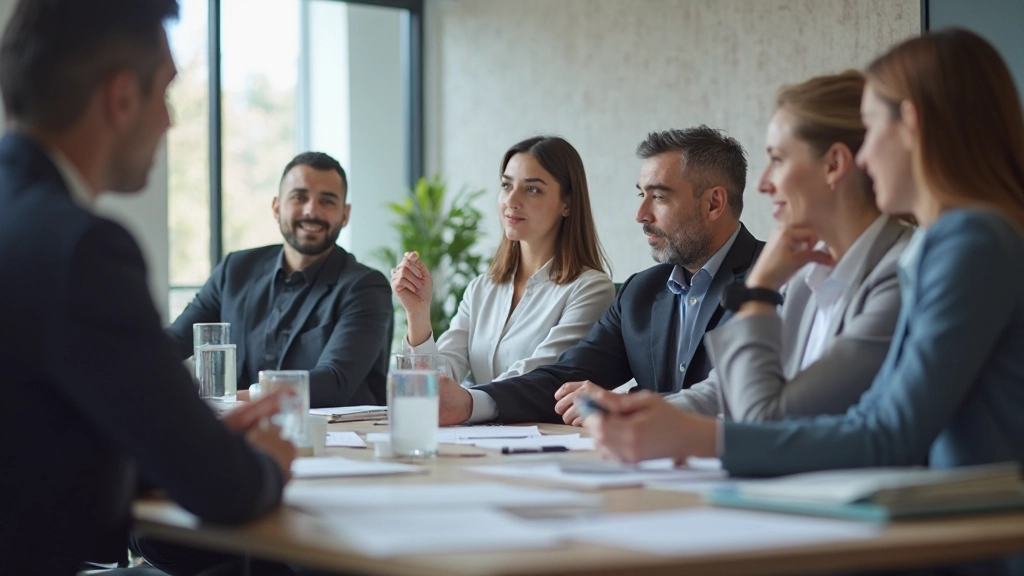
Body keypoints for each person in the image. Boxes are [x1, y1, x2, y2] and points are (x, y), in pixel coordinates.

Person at [587, 29, 1024, 485]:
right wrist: (658, 420)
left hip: (967, 544)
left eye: (872, 129)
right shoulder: (957, 241)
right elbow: (866, 422)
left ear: (911, 123)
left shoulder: (969, 241)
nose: (865, 155)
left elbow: (886, 435)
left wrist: (698, 436)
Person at [0, 1, 294, 574]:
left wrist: (183, 438)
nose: (170, 121)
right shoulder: (82, 250)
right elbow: (227, 492)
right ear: (121, 98)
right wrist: (261, 463)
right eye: (166, 93)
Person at [436, 126, 765, 426]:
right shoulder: (641, 292)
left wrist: (623, 403)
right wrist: (469, 402)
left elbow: (748, 396)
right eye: (641, 195)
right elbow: (564, 378)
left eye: (659, 196)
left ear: (714, 203)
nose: (641, 215)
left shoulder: (773, 281)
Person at [644, 71, 912, 423]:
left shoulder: (905, 271)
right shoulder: (803, 273)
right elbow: (724, 390)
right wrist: (638, 413)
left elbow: (767, 418)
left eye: (778, 160)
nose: (762, 183)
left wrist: (759, 291)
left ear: (833, 165)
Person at [165, 152, 393, 408]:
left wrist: (238, 398)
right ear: (276, 207)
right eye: (299, 197)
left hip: (333, 440)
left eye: (327, 201)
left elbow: (334, 381)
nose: (311, 211)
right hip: (238, 435)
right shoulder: (235, 270)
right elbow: (171, 345)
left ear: (345, 214)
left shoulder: (365, 287)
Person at [391, 136, 614, 386]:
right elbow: (432, 383)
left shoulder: (590, 289)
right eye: (506, 186)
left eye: (532, 189)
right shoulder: (480, 289)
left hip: (547, 426)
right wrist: (418, 312)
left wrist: (467, 403)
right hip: (482, 424)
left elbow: (538, 377)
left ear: (568, 203)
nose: (511, 201)